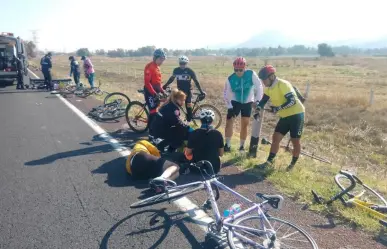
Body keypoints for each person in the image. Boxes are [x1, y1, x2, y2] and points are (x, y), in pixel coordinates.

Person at [255, 65, 305, 171]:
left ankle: (292, 165)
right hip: (285, 116)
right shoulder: (269, 88)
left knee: (295, 141)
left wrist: (277, 108)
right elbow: (264, 100)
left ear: (272, 76)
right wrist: (258, 110)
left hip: (296, 114)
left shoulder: (283, 84)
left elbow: (292, 101)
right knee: (276, 137)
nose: (263, 82)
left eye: (264, 79)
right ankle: (269, 162)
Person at [223, 57, 263, 152]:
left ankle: (241, 146)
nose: (238, 72)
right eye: (236, 70)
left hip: (247, 102)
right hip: (235, 102)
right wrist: (230, 107)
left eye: (241, 70)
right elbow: (225, 94)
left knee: (244, 124)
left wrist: (257, 100)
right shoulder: (230, 78)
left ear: (245, 68)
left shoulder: (251, 74)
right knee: (229, 122)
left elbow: (259, 86)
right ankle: (227, 145)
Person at [162, 55, 206, 122]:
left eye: (184, 63)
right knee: (175, 105)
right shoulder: (176, 70)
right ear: (179, 63)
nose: (182, 65)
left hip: (188, 91)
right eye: (181, 63)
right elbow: (171, 79)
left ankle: (189, 121)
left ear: (186, 63)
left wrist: (201, 91)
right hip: (180, 92)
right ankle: (176, 120)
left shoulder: (190, 71)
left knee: (188, 107)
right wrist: (165, 85)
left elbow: (196, 81)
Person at [150, 88, 194, 153]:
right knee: (179, 134)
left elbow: (175, 121)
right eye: (181, 100)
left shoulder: (170, 104)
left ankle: (163, 146)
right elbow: (178, 123)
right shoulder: (173, 109)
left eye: (184, 100)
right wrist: (189, 129)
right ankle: (169, 150)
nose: (183, 102)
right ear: (176, 99)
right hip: (159, 131)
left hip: (156, 128)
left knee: (177, 131)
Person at [184, 109, 224, 174]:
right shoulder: (218, 134)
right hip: (213, 169)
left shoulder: (194, 133)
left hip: (197, 169)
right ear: (212, 120)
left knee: (186, 152)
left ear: (201, 120)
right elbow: (221, 154)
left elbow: (188, 153)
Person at [144, 48, 167, 133]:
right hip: (149, 91)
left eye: (163, 60)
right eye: (160, 59)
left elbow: (158, 83)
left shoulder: (157, 67)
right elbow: (147, 83)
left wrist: (162, 91)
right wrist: (154, 93)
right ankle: (150, 132)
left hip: (156, 90)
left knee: (158, 108)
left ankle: (157, 127)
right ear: (155, 58)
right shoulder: (149, 67)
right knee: (153, 111)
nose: (162, 61)